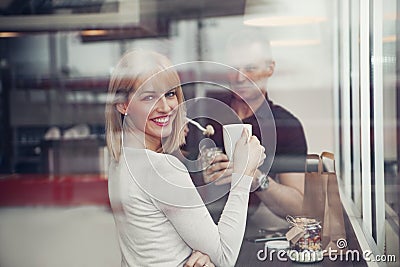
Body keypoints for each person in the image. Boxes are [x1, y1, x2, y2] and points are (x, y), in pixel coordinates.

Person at [105, 49, 265, 267]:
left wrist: (197, 251)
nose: (166, 107)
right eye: (149, 97)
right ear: (124, 105)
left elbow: (158, 241)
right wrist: (244, 173)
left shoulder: (121, 160)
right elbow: (225, 257)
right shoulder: (161, 168)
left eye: (170, 94)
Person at [187, 30, 308, 229]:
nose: (240, 77)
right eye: (233, 68)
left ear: (270, 69)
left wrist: (257, 179)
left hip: (254, 233)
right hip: (197, 229)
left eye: (250, 68)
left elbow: (297, 207)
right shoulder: (203, 111)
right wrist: (199, 174)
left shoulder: (286, 125)